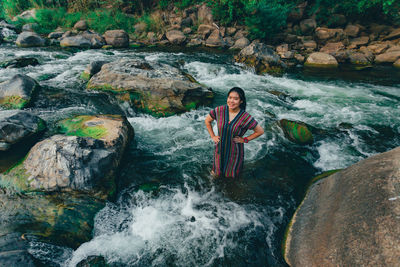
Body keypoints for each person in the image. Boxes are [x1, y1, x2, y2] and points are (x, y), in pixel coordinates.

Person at [205, 87, 264, 178]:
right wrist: (213, 136)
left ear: (241, 101)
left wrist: (245, 139)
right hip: (220, 149)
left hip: (234, 152)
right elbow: (207, 121)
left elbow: (260, 131)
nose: (231, 101)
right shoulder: (219, 110)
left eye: (235, 99)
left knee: (231, 177)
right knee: (215, 174)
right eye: (230, 97)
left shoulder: (245, 117)